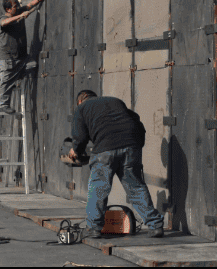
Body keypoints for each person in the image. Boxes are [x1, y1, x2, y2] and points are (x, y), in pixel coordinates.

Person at [68, 90, 164, 239]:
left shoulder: (81, 108)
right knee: (136, 187)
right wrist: (136, 146)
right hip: (131, 146)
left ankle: (94, 228)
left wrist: (76, 151)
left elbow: (79, 137)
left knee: (98, 189)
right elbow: (137, 122)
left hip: (105, 150)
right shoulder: (115, 101)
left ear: (80, 100)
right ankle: (155, 225)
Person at [0, 0, 45, 115]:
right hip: (7, 57)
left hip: (20, 55)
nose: (17, 8)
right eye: (15, 6)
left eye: (18, 5)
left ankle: (16, 77)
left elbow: (29, 6)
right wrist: (20, 16)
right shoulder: (4, 18)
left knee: (32, 65)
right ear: (8, 9)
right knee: (5, 80)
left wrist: (38, 0)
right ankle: (3, 104)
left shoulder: (18, 11)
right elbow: (3, 23)